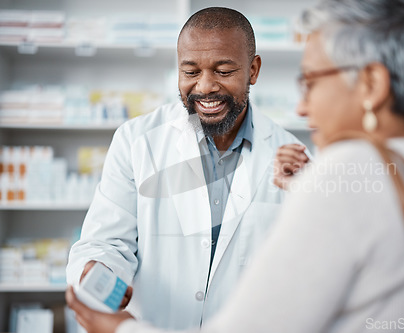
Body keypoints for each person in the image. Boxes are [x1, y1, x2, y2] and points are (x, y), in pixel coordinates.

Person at [66, 0, 404, 332]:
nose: (303, 107)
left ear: (371, 85)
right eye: (190, 70)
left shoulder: (334, 172)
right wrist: (97, 269)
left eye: (310, 82)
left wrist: (118, 330)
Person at [66, 6, 309, 331]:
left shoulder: (291, 157)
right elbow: (106, 242)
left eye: (223, 71)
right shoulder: (137, 140)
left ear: (253, 70)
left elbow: (303, 268)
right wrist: (98, 269)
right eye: (191, 72)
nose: (205, 87)